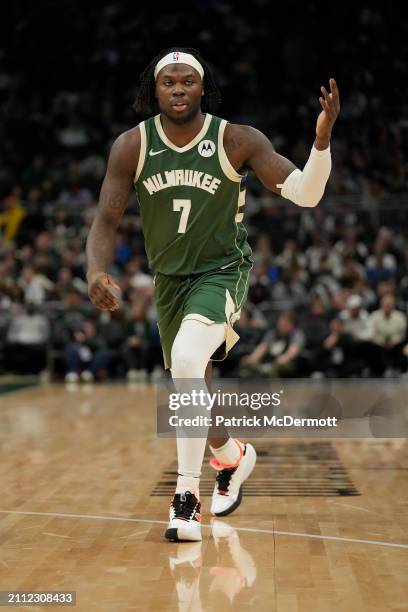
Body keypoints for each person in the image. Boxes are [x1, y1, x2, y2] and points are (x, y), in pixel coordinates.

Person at [86, 47, 339, 542]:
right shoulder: (131, 146)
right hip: (170, 280)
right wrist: (96, 270)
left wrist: (322, 141)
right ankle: (231, 455)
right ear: (153, 89)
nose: (178, 89)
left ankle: (185, 499)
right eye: (168, 82)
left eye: (187, 82)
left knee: (184, 361)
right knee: (190, 384)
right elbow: (105, 220)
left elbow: (307, 194)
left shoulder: (235, 139)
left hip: (223, 271)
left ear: (203, 88)